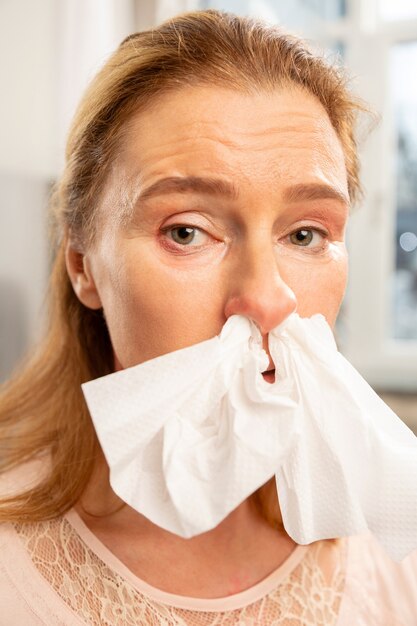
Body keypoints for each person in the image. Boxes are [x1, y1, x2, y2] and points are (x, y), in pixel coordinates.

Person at [0, 9, 416, 625]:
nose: (269, 301)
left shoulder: (388, 529)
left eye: (304, 234)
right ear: (85, 267)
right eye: (187, 232)